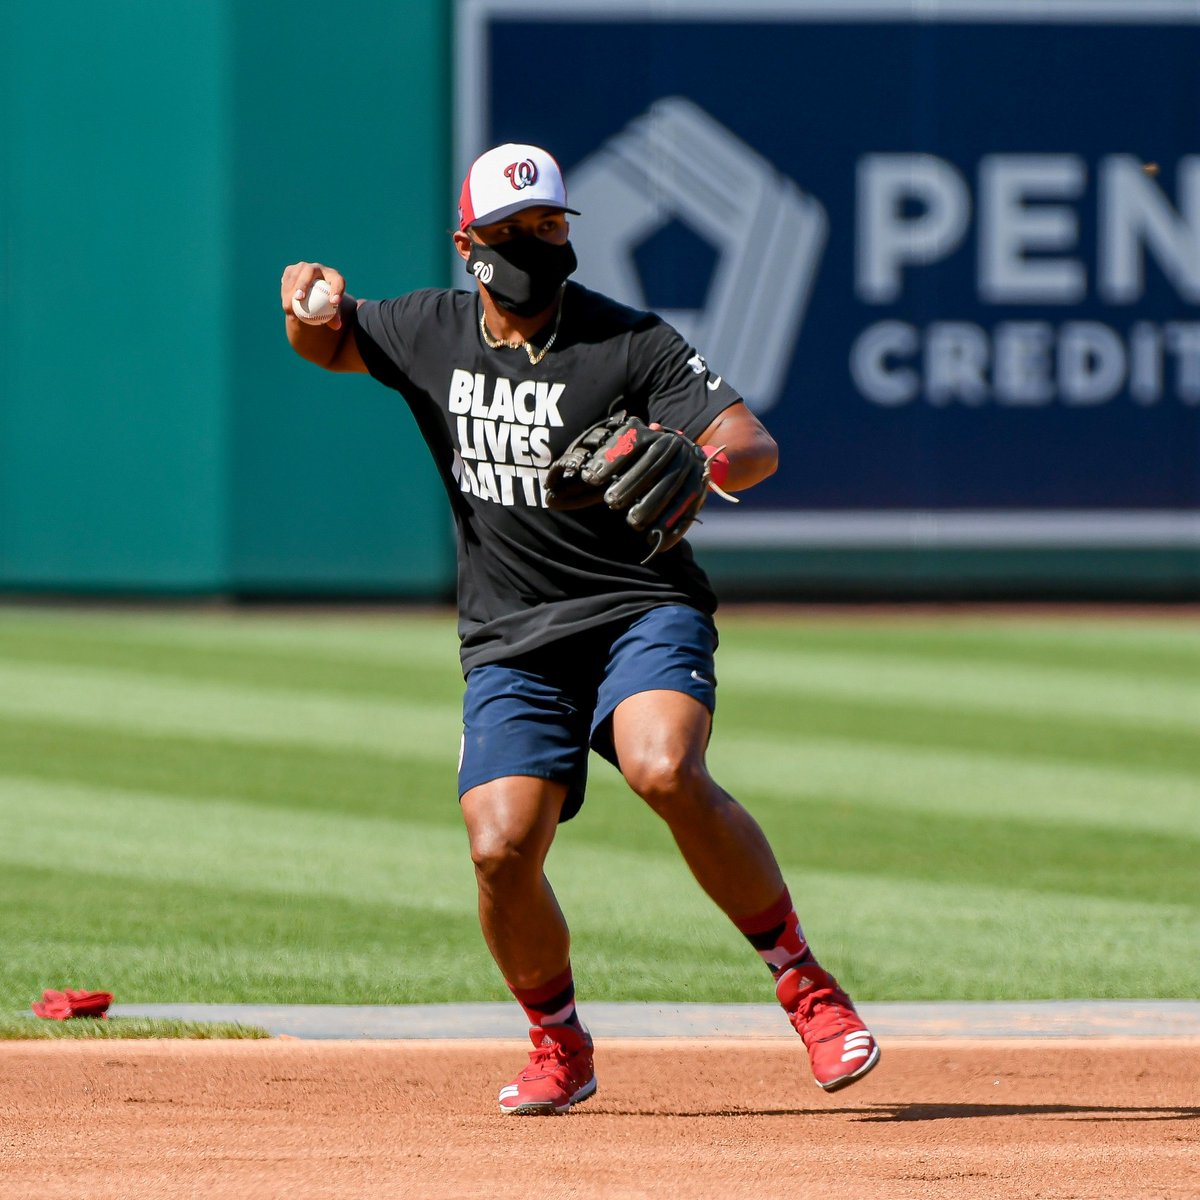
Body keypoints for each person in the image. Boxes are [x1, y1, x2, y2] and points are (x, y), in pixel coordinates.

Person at [281, 142, 880, 1115]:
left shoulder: (628, 341)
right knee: (498, 846)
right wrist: (303, 304)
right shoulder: (431, 330)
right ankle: (559, 1044)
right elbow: (331, 342)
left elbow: (750, 440)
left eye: (551, 225)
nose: (536, 244)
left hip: (638, 605)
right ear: (469, 246)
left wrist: (701, 460)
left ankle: (805, 986)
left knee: (663, 765)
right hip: (513, 637)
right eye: (514, 230)